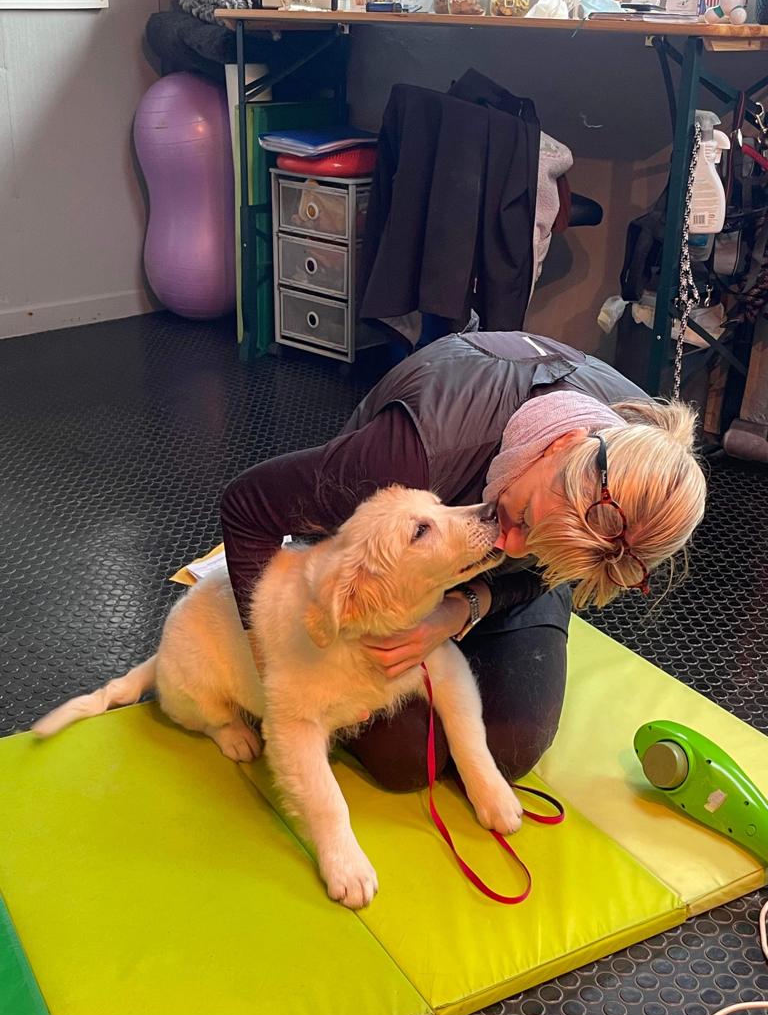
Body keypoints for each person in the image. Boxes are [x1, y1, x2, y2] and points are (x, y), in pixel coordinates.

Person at [220, 330, 706, 792]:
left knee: (512, 748)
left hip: (497, 590)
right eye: (525, 519)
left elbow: (541, 577)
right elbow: (246, 508)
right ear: (560, 445)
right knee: (407, 759)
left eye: (543, 549)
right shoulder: (406, 455)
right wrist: (272, 667)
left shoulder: (637, 489)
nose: (511, 546)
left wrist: (461, 609)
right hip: (389, 581)